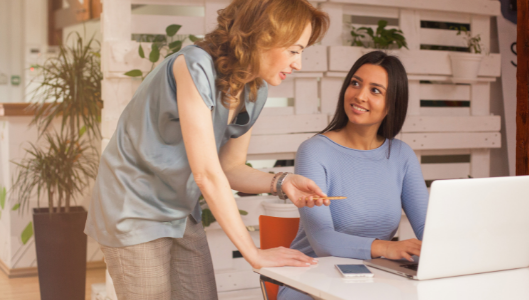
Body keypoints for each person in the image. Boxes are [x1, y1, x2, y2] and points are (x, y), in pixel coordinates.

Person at [84, 1, 330, 299]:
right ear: (263, 36)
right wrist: (253, 252)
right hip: (131, 207)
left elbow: (229, 168)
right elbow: (206, 174)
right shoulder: (194, 65)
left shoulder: (255, 90)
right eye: (294, 50)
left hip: (179, 210)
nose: (298, 64)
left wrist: (282, 182)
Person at [278, 51, 430, 300]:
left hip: (372, 280)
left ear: (393, 104)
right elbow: (323, 241)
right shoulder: (314, 151)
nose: (359, 95)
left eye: (375, 90)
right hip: (312, 280)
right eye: (356, 83)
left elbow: (426, 227)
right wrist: (387, 248)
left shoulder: (402, 155)